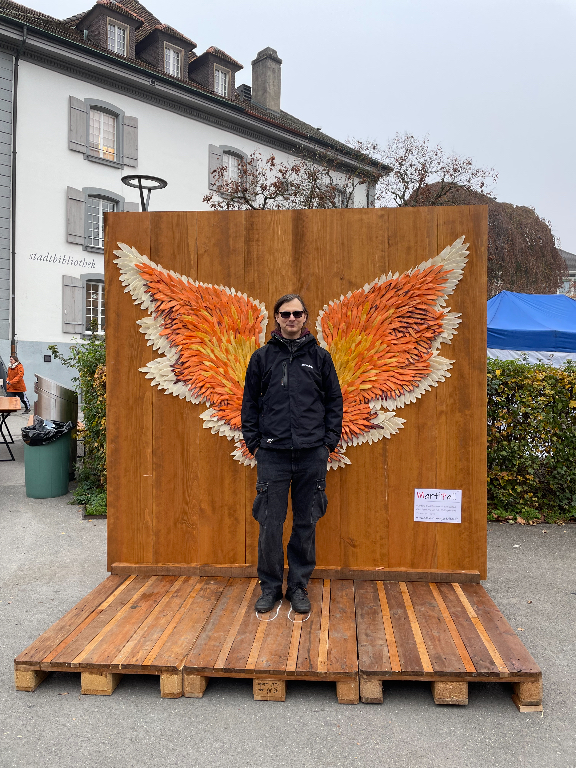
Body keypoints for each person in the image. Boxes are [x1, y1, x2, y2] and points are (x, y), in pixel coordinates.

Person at [241, 294, 343, 614]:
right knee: (270, 523)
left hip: (312, 454)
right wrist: (254, 443)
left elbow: (334, 403)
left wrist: (327, 443)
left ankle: (298, 585)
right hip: (272, 454)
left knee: (305, 523)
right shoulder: (261, 359)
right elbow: (249, 404)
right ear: (277, 319)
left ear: (305, 317)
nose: (291, 318)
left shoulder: (321, 359)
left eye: (297, 313)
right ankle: (270, 587)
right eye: (285, 314)